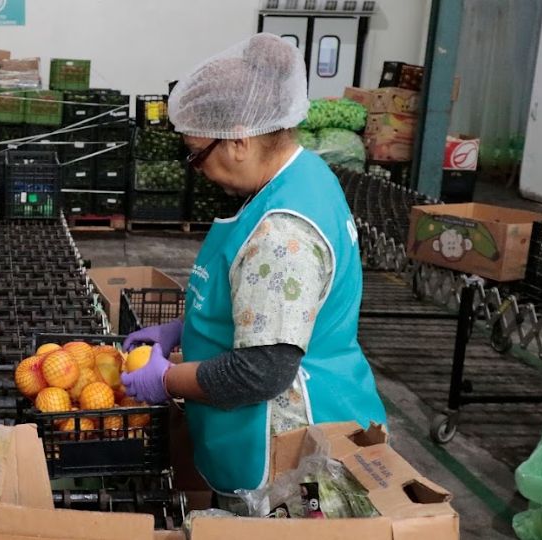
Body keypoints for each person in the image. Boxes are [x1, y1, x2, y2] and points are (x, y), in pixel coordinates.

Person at [120, 34, 387, 506]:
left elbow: (260, 372)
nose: (196, 169)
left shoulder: (280, 233)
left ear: (239, 140)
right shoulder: (305, 176)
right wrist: (186, 329)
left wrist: (164, 380)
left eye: (197, 154)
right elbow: (275, 304)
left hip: (286, 450)